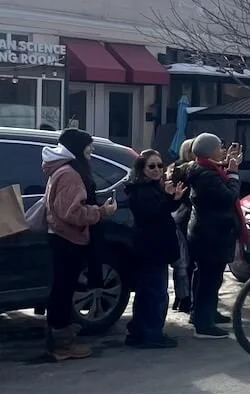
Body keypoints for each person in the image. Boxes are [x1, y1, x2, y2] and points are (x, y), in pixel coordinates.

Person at [40, 128, 117, 360]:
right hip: (68, 238)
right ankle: (61, 345)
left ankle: (60, 340)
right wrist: (102, 211)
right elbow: (72, 212)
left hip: (63, 237)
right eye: (88, 145)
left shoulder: (62, 170)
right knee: (62, 293)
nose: (91, 149)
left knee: (62, 291)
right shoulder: (70, 174)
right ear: (77, 147)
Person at [186, 133, 247, 338]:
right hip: (211, 234)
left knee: (207, 276)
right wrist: (234, 174)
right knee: (208, 279)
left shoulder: (205, 169)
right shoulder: (206, 174)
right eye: (220, 147)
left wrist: (228, 166)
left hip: (207, 232)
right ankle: (204, 323)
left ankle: (205, 313)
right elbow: (228, 196)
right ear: (210, 150)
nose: (222, 150)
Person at [124, 149, 185, 349]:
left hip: (155, 248)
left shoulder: (152, 187)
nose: (157, 169)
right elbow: (153, 214)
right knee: (156, 293)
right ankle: (151, 333)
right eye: (152, 166)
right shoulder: (141, 190)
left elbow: (162, 211)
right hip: (150, 248)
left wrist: (172, 198)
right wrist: (171, 199)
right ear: (142, 169)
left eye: (160, 165)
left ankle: (140, 331)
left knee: (148, 292)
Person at [168, 139, 194, 313]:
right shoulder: (187, 170)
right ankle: (185, 299)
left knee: (182, 264)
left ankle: (181, 298)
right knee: (186, 263)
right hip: (184, 217)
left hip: (177, 217)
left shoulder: (175, 168)